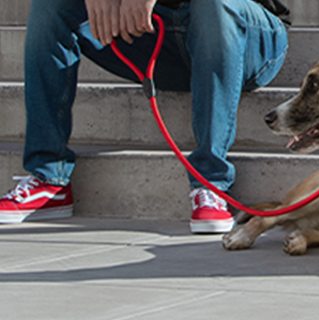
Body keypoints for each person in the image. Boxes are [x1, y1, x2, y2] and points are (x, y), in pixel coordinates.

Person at [0, 0, 290, 233]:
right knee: (52, 5)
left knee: (213, 4)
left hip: (248, 36)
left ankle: (210, 182)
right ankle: (50, 178)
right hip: (161, 34)